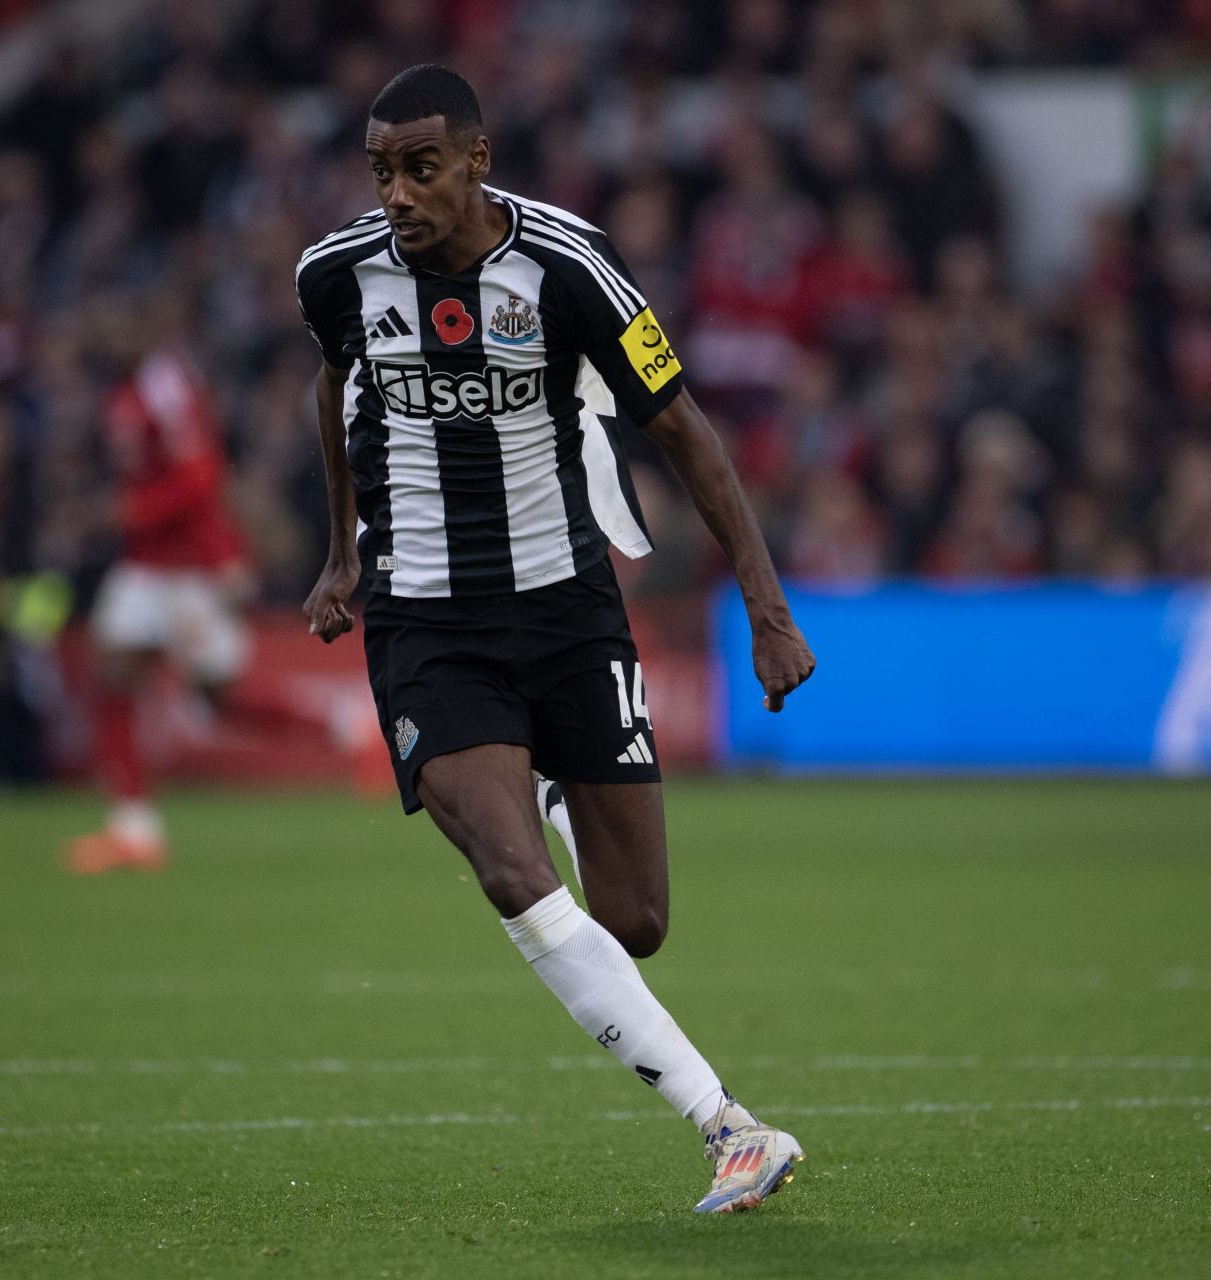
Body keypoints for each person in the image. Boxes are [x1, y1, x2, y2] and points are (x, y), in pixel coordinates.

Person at [295, 65, 816, 1215]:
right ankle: (727, 1124)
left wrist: (765, 608)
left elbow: (686, 431)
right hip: (428, 621)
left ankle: (534, 783)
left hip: (569, 610)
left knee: (634, 920)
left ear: (477, 160)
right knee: (514, 876)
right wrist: (343, 552)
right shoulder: (336, 273)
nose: (397, 194)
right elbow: (334, 391)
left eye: (420, 167)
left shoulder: (570, 268)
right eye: (381, 170)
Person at [64, 323, 253, 874]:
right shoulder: (123, 390)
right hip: (147, 567)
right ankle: (133, 828)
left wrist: (134, 514)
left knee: (222, 698)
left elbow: (200, 477)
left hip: (187, 568)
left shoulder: (163, 386)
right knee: (110, 674)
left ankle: (346, 731)